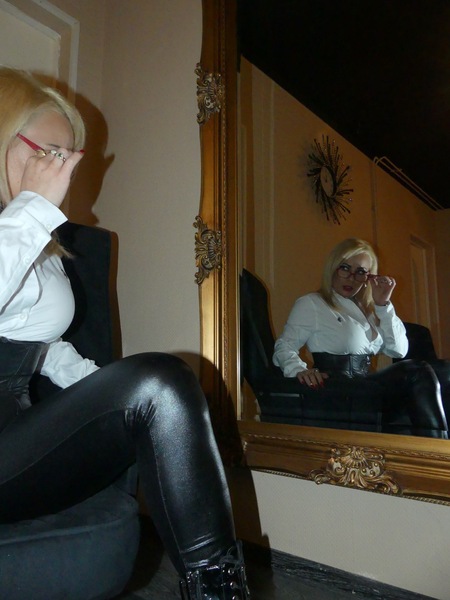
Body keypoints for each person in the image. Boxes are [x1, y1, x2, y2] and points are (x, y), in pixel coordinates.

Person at [0, 66, 250, 600]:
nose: (63, 172)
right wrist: (32, 212)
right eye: (50, 153)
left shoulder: (37, 241)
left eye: (68, 158)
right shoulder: (23, 227)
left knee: (159, 387)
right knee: (158, 381)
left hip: (14, 436)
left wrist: (107, 391)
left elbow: (39, 344)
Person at [273, 237, 448, 438]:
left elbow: (398, 350)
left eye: (361, 272)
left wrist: (383, 304)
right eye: (345, 268)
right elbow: (284, 346)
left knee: (444, 370)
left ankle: (440, 442)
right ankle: (439, 448)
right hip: (338, 391)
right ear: (333, 268)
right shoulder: (312, 303)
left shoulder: (369, 310)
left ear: (369, 277)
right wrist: (298, 370)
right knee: (416, 370)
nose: (351, 278)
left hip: (365, 388)